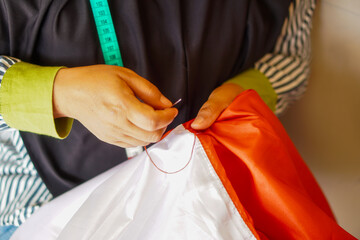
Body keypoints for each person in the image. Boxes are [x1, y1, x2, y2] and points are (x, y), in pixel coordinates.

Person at [0, 0, 315, 236]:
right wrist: (60, 94)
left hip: (204, 203)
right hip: (40, 200)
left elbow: (288, 58)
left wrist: (245, 94)